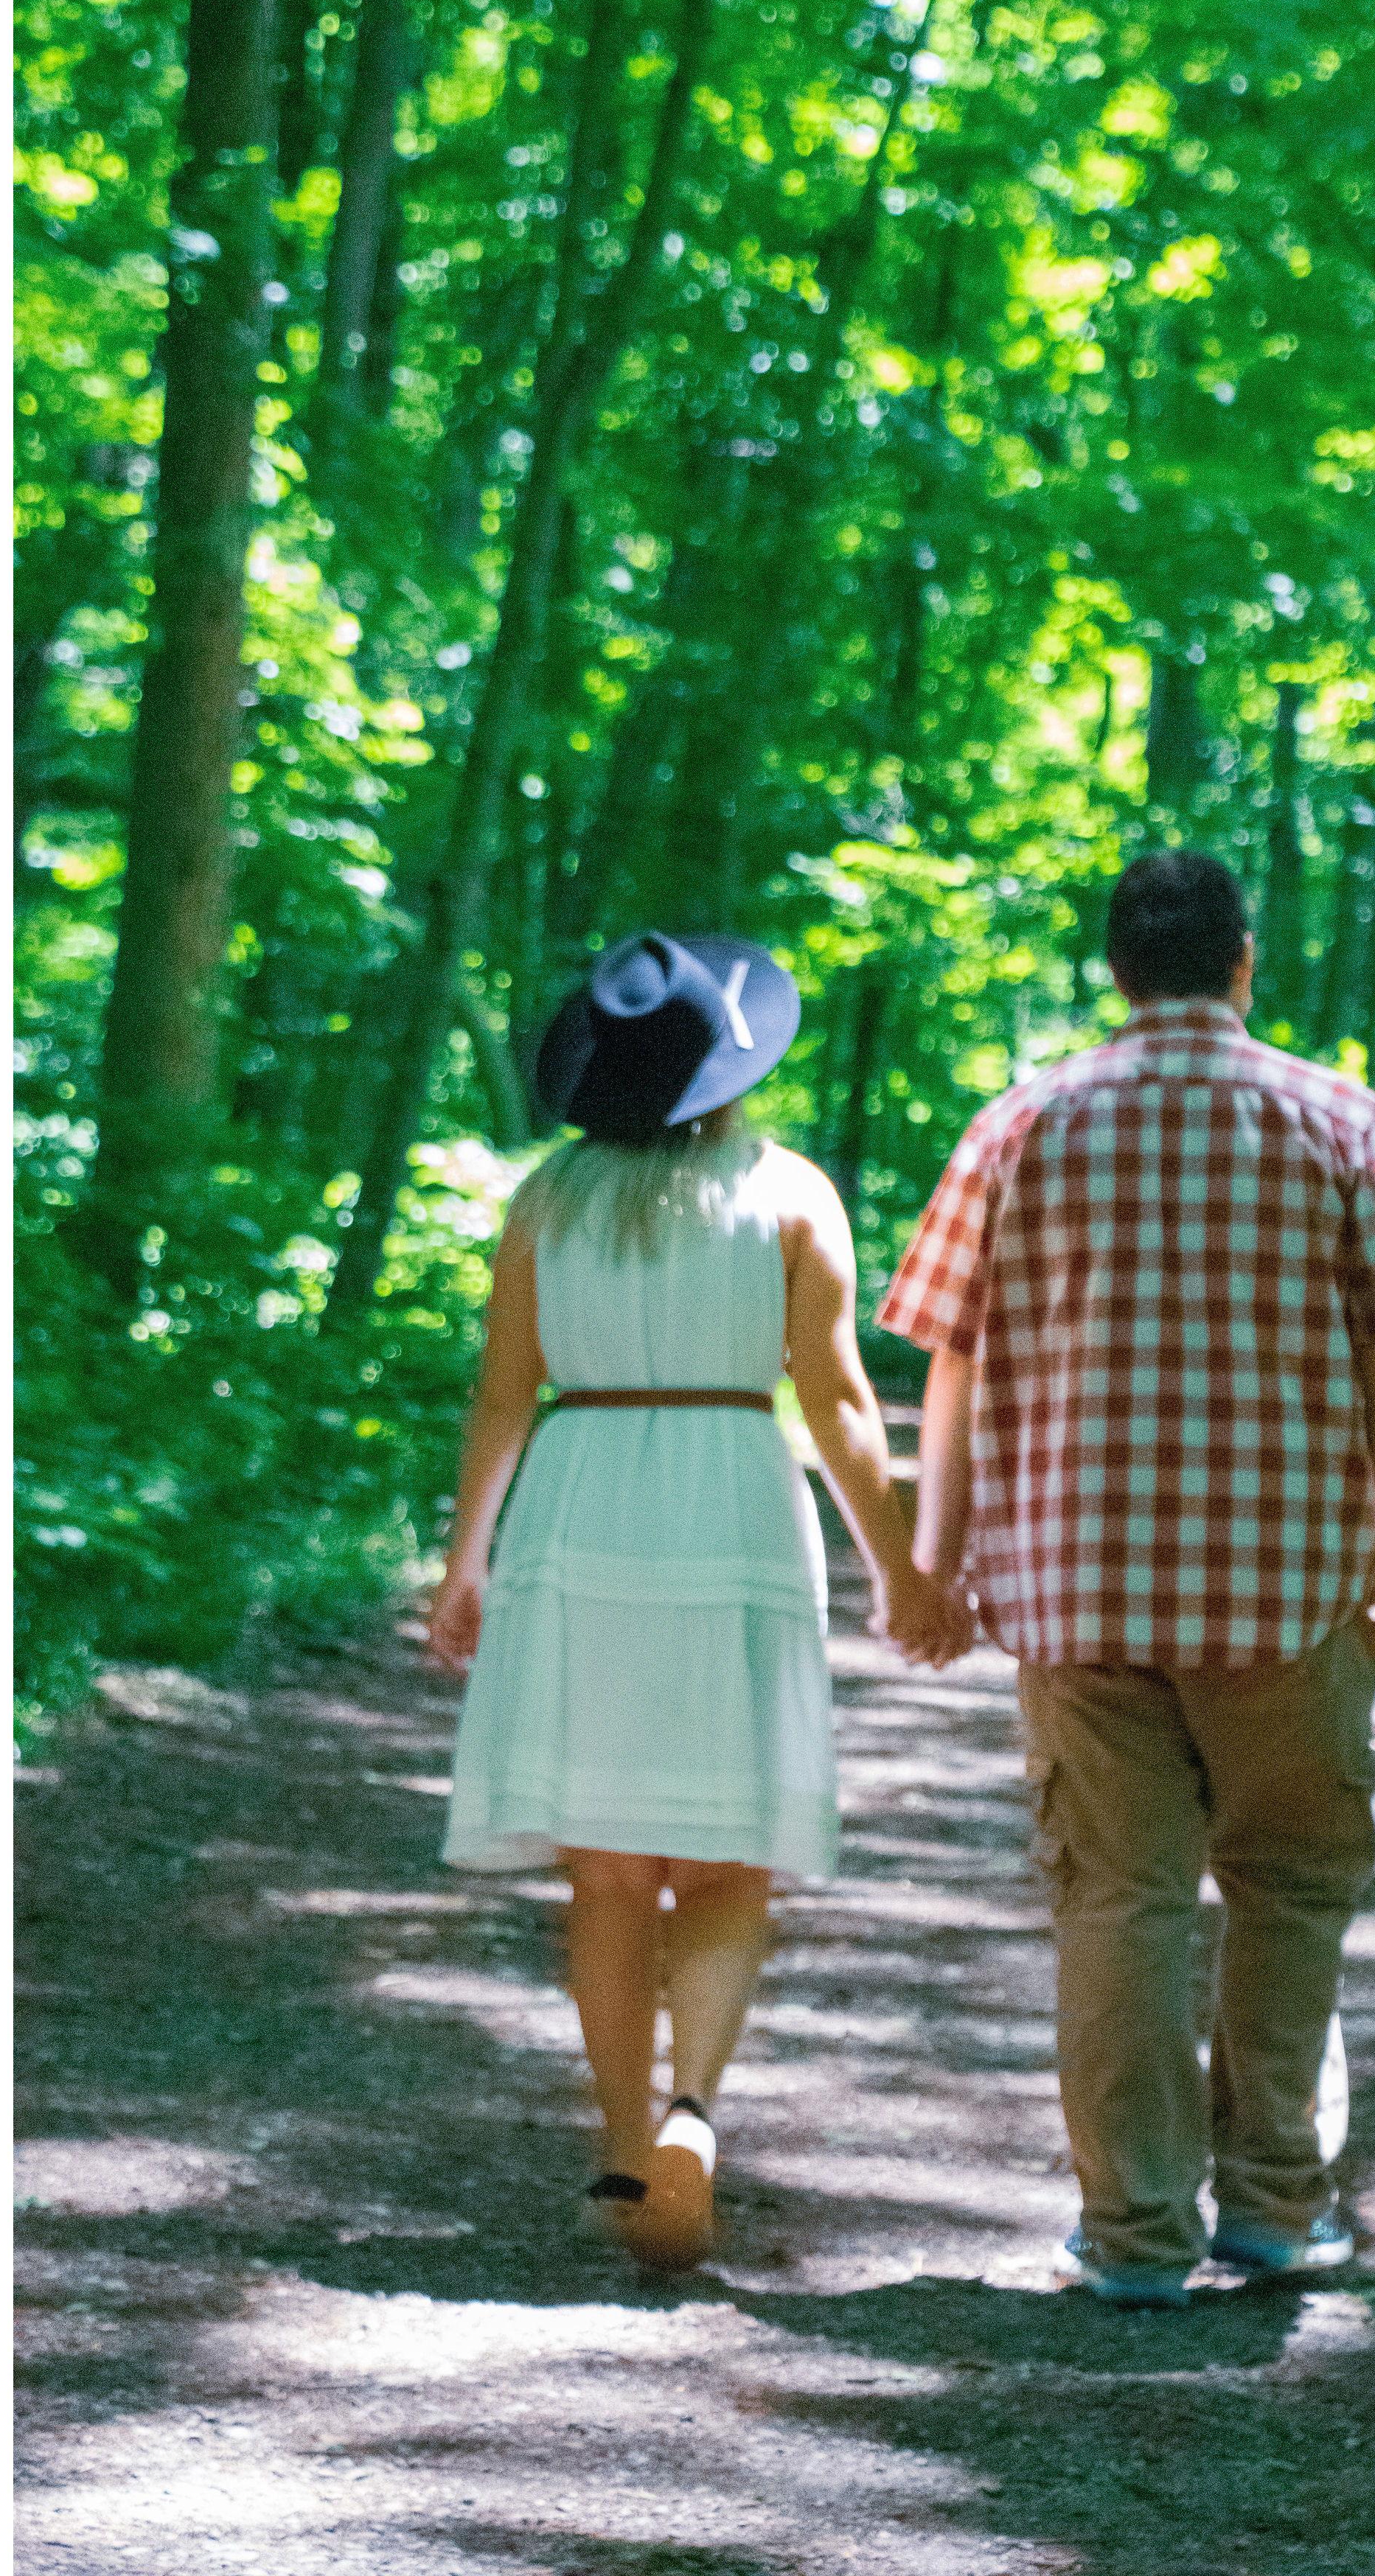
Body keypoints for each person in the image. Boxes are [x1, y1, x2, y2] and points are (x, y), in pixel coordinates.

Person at [879, 849, 1375, 2309]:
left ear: (1117, 972)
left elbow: (949, 1358)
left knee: (1120, 1901)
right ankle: (1273, 2206)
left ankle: (1136, 2232)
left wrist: (934, 1560)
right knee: (1290, 1888)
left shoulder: (1022, 1123)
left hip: (1076, 1595)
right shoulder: (1336, 1119)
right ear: (1243, 961)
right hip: (1291, 1590)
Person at [422, 930, 973, 2272]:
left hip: (581, 1503)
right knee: (727, 1857)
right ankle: (694, 2114)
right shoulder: (787, 1194)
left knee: (607, 1867)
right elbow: (838, 1401)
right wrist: (900, 1568)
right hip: (733, 1502)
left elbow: (504, 1392)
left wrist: (465, 1560)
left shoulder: (548, 1202)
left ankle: (623, 2154)